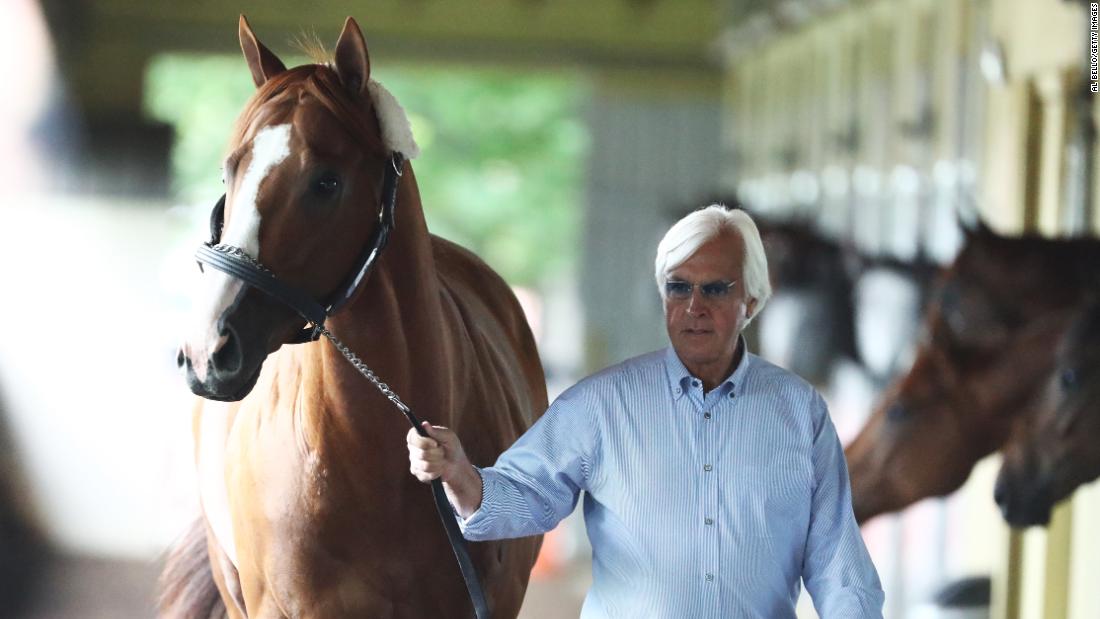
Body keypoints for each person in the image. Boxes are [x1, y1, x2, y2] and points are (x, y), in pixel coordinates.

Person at [407, 205, 884, 618]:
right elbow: (527, 494)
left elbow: (837, 564)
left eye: (716, 290)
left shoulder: (800, 414)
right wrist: (460, 474)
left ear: (751, 302)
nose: (694, 307)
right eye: (679, 288)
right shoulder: (602, 405)